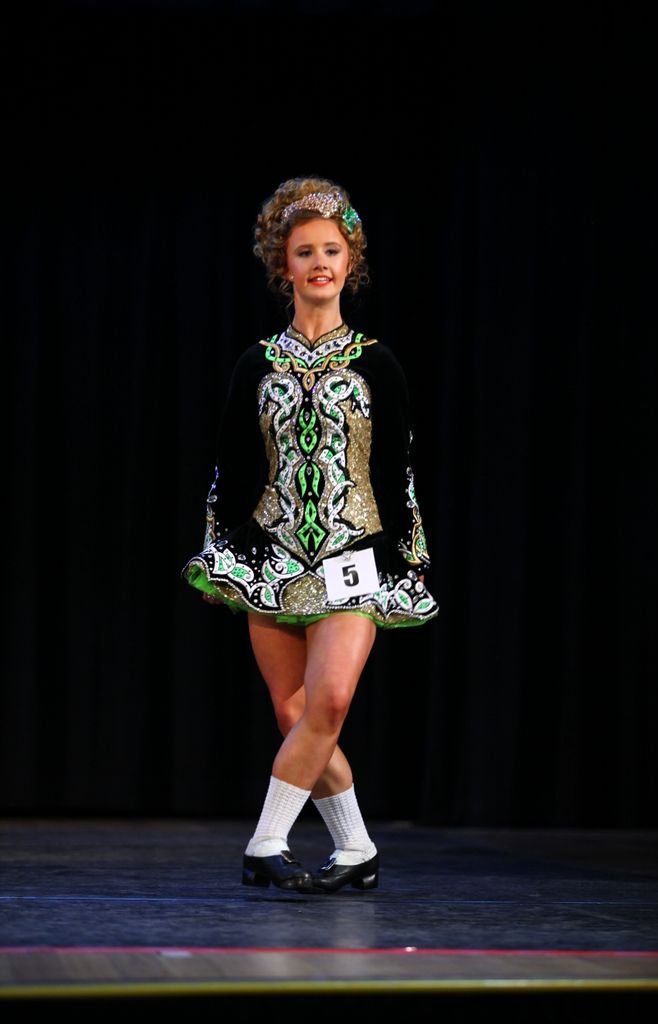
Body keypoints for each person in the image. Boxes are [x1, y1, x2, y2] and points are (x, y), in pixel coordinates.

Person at [181, 176, 438, 894]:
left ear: (350, 262)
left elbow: (397, 469)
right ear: (283, 266)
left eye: (331, 250)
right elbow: (231, 468)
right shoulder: (256, 363)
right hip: (271, 553)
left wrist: (408, 556)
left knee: (327, 704)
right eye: (304, 252)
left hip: (354, 555)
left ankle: (265, 841)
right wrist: (219, 550)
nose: (320, 263)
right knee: (294, 712)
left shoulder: (377, 362)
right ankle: (356, 848)